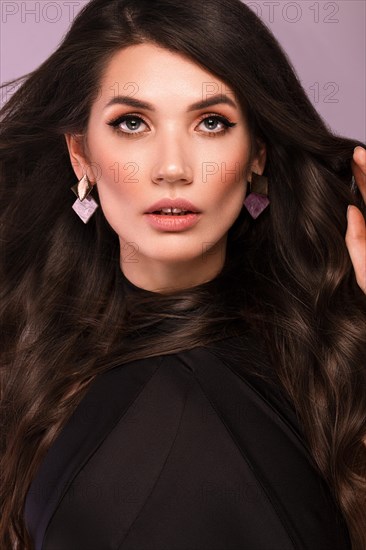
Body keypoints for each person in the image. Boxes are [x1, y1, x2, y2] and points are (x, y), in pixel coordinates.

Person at [0, 0, 365, 548]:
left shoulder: (319, 353)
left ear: (257, 153)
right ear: (80, 155)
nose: (173, 167)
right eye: (132, 123)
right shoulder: (31, 346)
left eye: (211, 122)